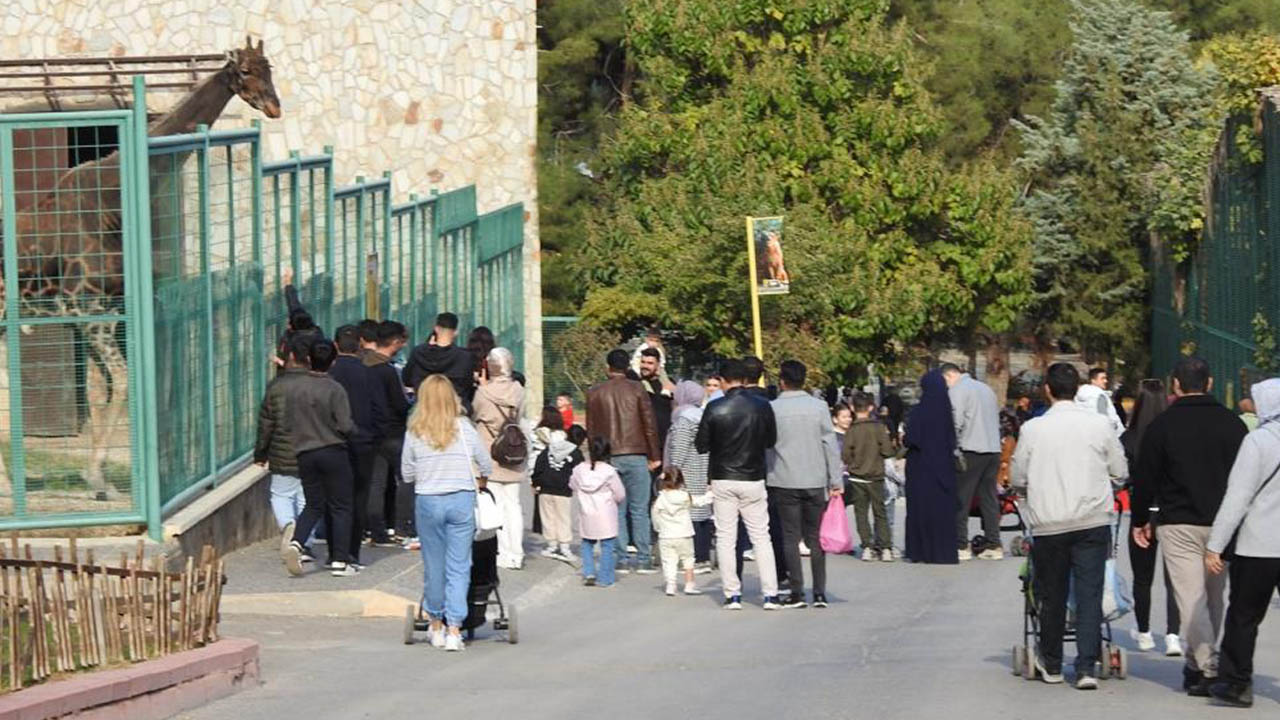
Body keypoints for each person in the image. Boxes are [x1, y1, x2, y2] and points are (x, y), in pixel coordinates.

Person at [1131, 356, 1248, 695]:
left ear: (1176, 386)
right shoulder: (1233, 425)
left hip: (1178, 522)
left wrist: (1141, 519)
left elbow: (1145, 476)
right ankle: (1197, 664)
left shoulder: (1162, 426)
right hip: (1222, 522)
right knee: (1213, 597)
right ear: (1210, 383)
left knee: (1189, 598)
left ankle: (1209, 666)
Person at [1011, 363, 1128, 690]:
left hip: (1050, 523)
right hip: (1092, 520)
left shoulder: (1033, 429)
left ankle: (1051, 662)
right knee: (1089, 593)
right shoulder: (1099, 425)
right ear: (1077, 389)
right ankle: (1087, 666)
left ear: (1046, 389)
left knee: (1053, 593)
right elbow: (1119, 470)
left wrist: (1025, 491)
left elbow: (1018, 476)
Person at [400, 375, 492, 652]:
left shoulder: (415, 430)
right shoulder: (464, 428)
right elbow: (486, 465)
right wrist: (480, 480)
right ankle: (455, 629)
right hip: (461, 499)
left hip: (428, 501)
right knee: (459, 565)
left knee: (434, 565)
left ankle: (435, 624)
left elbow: (406, 473)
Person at [1206, 378, 1280, 708]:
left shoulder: (1258, 442)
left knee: (1244, 616)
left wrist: (1215, 544)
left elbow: (1238, 496)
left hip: (1259, 545)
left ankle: (1237, 683)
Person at [695, 358, 781, 611]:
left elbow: (701, 445)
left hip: (723, 477)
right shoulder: (762, 406)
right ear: (745, 380)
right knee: (761, 537)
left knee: (725, 537)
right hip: (753, 476)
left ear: (723, 381)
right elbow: (771, 440)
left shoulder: (715, 407)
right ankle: (770, 594)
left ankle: (732, 594)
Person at [767, 360, 843, 607]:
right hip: (815, 479)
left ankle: (796, 591)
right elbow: (829, 445)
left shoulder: (773, 408)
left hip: (784, 479)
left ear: (782, 381)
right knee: (815, 537)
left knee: (790, 536)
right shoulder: (819, 407)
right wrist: (835, 479)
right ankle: (819, 592)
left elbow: (767, 447)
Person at [280, 338, 358, 578]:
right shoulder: (335, 389)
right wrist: (355, 432)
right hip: (333, 450)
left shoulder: (293, 388)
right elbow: (345, 425)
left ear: (308, 359)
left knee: (314, 503)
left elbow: (287, 421)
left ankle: (297, 542)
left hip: (305, 452)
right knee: (341, 505)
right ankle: (340, 560)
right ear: (333, 361)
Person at [586, 349, 662, 575]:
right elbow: (649, 423)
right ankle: (643, 558)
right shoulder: (637, 389)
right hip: (636, 452)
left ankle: (620, 557)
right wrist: (654, 454)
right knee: (640, 509)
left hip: (609, 457)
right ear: (628, 366)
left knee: (616, 509)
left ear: (608, 367)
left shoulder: (595, 392)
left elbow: (592, 430)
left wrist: (594, 459)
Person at [1121, 379, 1182, 656]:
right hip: (1171, 512)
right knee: (1174, 579)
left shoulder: (1130, 438)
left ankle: (1144, 631)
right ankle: (1172, 635)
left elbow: (1122, 476)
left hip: (1142, 511)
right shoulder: (1174, 434)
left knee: (1142, 578)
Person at [254, 338, 314, 564]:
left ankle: (288, 526)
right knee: (309, 498)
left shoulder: (275, 387)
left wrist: (261, 454)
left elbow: (266, 424)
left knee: (280, 494)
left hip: (282, 451)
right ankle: (304, 542)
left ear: (287, 358)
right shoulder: (318, 384)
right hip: (312, 450)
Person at [471, 347, 529, 570]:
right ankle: (517, 552)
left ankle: (503, 552)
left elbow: (474, 415)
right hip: (514, 452)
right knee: (513, 505)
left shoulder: (483, 393)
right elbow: (521, 415)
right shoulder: (519, 390)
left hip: (490, 454)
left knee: (496, 505)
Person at [328, 325, 381, 567]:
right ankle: (352, 552)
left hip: (334, 441)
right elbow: (379, 408)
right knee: (359, 496)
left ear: (336, 344)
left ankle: (333, 551)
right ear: (360, 343)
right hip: (363, 441)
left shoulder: (329, 372)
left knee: (335, 498)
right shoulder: (369, 372)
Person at [940, 363, 1003, 561]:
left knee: (962, 498)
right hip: (992, 448)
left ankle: (961, 544)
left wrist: (951, 447)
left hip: (970, 449)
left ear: (949, 376)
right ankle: (993, 543)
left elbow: (955, 422)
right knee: (989, 498)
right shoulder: (985, 388)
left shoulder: (958, 390)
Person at [903, 370, 959, 564]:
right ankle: (943, 551)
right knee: (942, 510)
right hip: (943, 467)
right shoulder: (946, 412)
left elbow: (911, 438)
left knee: (921, 509)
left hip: (921, 467)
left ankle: (920, 551)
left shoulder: (920, 411)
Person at [364, 321, 411, 547]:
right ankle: (402, 526)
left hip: (369, 432)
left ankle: (376, 529)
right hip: (393, 432)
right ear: (394, 342)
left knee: (376, 482)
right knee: (406, 479)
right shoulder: (388, 371)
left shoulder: (362, 365)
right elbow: (400, 404)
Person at [665, 380, 713, 571]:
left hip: (687, 473)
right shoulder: (702, 416)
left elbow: (679, 450)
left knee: (689, 514)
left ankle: (696, 559)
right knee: (702, 513)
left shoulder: (684, 419)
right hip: (702, 469)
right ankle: (704, 557)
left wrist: (671, 473)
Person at [843, 392, 896, 562]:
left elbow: (845, 454)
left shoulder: (852, 430)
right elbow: (888, 451)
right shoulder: (879, 427)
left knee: (861, 513)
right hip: (876, 476)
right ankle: (886, 547)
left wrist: (853, 464)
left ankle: (866, 546)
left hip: (857, 477)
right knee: (880, 512)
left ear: (852, 408)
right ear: (871, 407)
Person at [571, 436, 626, 587]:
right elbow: (620, 493)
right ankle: (605, 578)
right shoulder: (609, 471)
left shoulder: (579, 469)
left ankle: (588, 572)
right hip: (606, 513)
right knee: (607, 546)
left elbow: (573, 485)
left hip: (586, 511)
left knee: (587, 543)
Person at [652, 468, 713, 596]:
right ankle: (689, 584)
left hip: (666, 535)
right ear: (681, 481)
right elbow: (699, 502)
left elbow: (655, 517)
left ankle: (671, 585)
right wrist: (710, 495)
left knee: (669, 561)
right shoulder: (685, 496)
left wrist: (658, 529)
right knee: (688, 559)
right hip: (684, 534)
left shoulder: (660, 499)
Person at [531, 407, 579, 563]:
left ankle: (551, 544)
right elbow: (578, 466)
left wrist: (535, 482)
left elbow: (539, 465)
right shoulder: (572, 449)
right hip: (564, 489)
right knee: (564, 517)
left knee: (548, 517)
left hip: (546, 488)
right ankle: (565, 545)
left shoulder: (546, 448)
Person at [404, 313, 477, 413]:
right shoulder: (465, 357)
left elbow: (407, 379)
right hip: (454, 411)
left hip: (425, 410)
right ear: (455, 332)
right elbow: (468, 385)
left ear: (436, 329)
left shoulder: (418, 353)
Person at [637, 347, 675, 447]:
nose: (645, 366)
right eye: (643, 362)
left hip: (665, 442)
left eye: (650, 363)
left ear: (658, 365)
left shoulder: (668, 385)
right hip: (643, 443)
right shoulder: (636, 384)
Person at [1075, 367, 1125, 437]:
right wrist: (1114, 425)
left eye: (1106, 378)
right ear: (1093, 380)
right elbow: (1104, 419)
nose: (1105, 381)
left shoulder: (1078, 396)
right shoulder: (1099, 395)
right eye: (1102, 378)